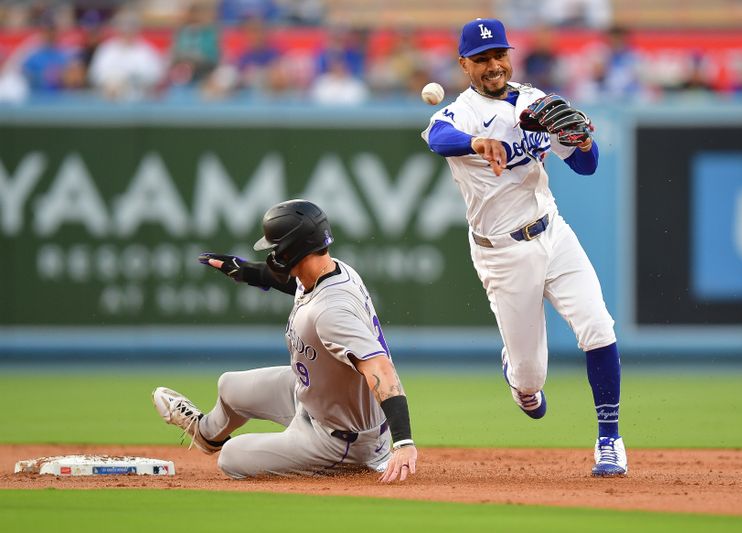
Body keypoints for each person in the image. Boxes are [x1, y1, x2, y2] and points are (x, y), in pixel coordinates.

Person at [421, 18, 627, 477]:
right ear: (464, 65)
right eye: (481, 59)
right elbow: (438, 138)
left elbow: (587, 166)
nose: (493, 65)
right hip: (501, 251)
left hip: (553, 231)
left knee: (597, 325)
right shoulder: (461, 112)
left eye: (499, 55)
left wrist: (582, 140)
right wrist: (477, 140)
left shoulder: (537, 102)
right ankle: (518, 378)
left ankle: (609, 439)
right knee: (531, 379)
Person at [152, 199, 418, 483]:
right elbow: (295, 283)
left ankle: (350, 457)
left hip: (342, 438)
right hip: (317, 396)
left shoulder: (332, 312)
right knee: (228, 386)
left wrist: (403, 442)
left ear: (293, 250)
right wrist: (244, 271)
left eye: (276, 247)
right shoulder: (329, 269)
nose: (273, 253)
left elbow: (380, 368)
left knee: (232, 457)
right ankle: (206, 433)